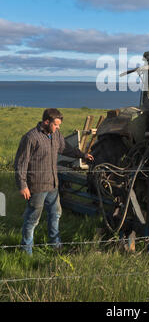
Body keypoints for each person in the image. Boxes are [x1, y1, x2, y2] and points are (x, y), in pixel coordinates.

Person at [14, 108, 94, 255]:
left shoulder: (56, 135)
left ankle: (55, 245)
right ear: (46, 122)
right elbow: (21, 163)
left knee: (55, 214)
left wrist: (82, 155)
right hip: (37, 186)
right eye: (56, 124)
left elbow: (66, 149)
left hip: (52, 184)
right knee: (32, 219)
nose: (58, 128)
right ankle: (26, 251)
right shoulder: (31, 137)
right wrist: (22, 185)